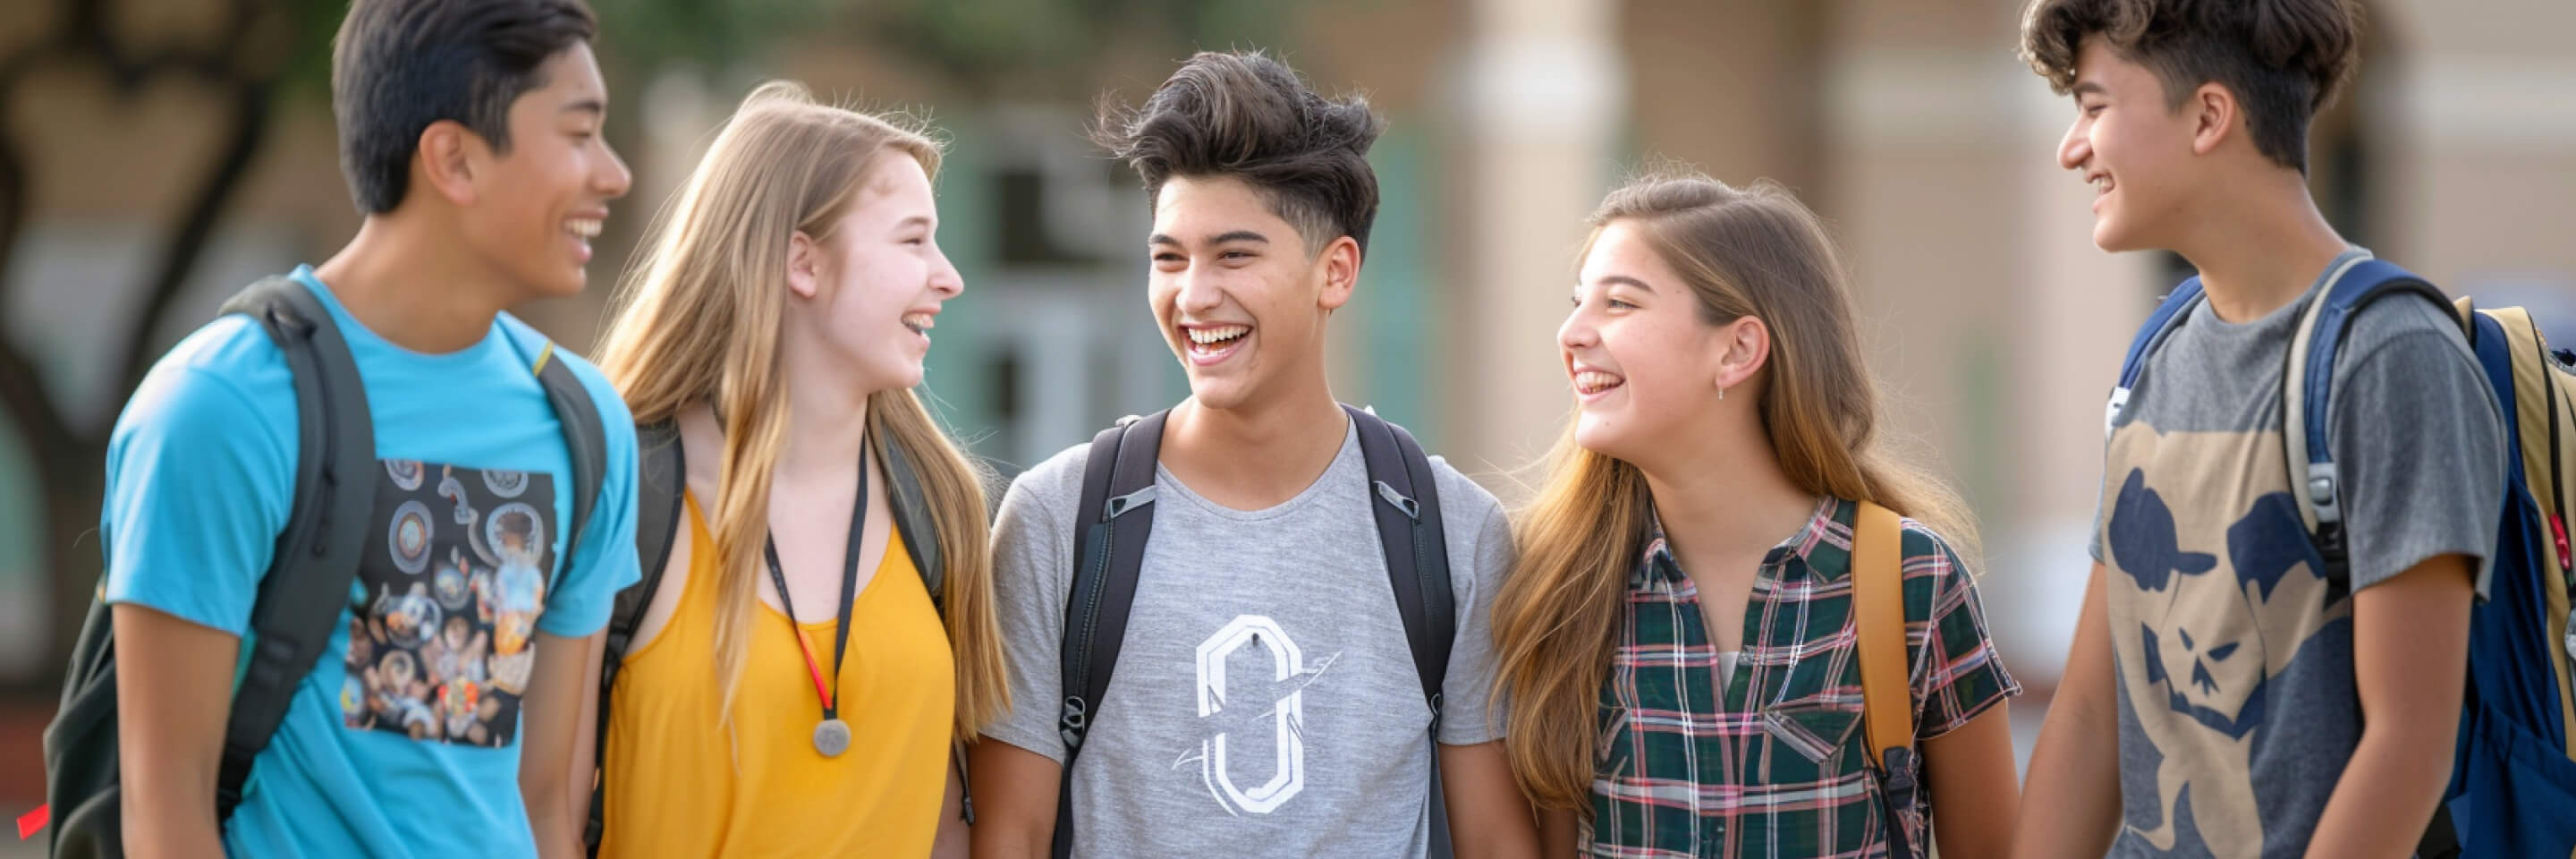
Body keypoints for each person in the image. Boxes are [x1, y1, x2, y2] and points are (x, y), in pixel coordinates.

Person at [965, 50, 1539, 859]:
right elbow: (1011, 834)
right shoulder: (1061, 517)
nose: (1194, 296)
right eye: (1169, 258)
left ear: (1334, 271)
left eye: (1235, 256)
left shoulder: (1451, 532)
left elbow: (1492, 839)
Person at [100, 0, 638, 855]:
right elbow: (166, 814)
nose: (614, 175)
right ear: (453, 158)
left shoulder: (584, 423)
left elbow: (543, 805)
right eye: (579, 135)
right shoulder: (219, 411)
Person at [2009, 1, 2507, 855]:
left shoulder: (2390, 356)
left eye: (2094, 108)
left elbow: (2409, 745)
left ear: (2209, 116)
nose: (2072, 147)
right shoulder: (2157, 357)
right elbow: (2093, 714)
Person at [1493, 172, 2022, 857]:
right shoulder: (1553, 587)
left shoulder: (1909, 577)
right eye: (1577, 303)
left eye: (1619, 303)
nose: (1572, 333)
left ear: (1738, 349)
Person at [580, 81, 1006, 857]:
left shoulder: (942, 505)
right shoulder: (622, 492)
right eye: (912, 240)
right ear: (802, 263)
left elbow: (951, 820)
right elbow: (539, 815)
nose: (949, 277)